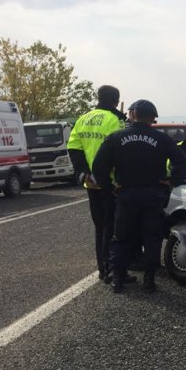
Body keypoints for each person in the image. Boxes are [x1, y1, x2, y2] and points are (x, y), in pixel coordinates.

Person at [92, 99, 186, 293]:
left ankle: (117, 280)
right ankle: (149, 281)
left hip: (126, 195)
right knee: (151, 238)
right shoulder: (162, 139)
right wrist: (171, 180)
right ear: (152, 118)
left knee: (121, 238)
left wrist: (110, 187)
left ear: (133, 114)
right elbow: (180, 160)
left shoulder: (116, 137)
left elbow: (98, 167)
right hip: (153, 195)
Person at [67, 85, 133, 284]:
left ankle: (103, 269)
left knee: (100, 228)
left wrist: (84, 173)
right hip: (112, 184)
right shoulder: (116, 119)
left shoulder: (83, 118)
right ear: (116, 100)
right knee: (113, 228)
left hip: (91, 184)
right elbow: (123, 151)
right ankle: (112, 270)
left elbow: (73, 147)